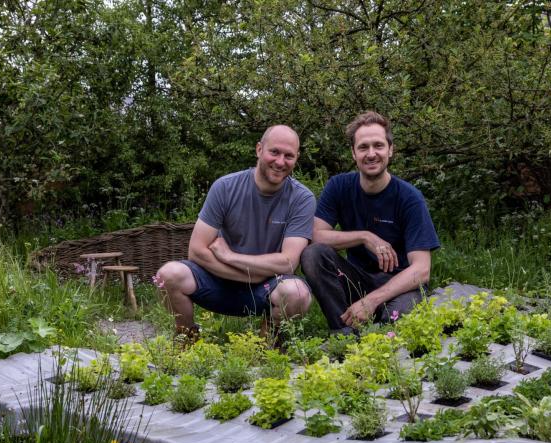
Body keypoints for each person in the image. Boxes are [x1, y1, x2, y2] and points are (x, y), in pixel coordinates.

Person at [155, 125, 315, 339]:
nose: (280, 162)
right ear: (259, 149)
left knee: (297, 293)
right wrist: (250, 272)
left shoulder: (302, 199)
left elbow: (287, 263)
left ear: (297, 158)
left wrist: (230, 256)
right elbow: (196, 251)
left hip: (265, 287)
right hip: (217, 283)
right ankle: (187, 337)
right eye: (274, 152)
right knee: (169, 275)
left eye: (289, 156)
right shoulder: (225, 187)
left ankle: (268, 347)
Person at [300, 111, 440, 334]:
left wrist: (372, 301)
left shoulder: (409, 198)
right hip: (357, 280)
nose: (371, 154)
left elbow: (422, 269)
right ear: (353, 153)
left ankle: (378, 331)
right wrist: (365, 236)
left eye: (378, 145)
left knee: (397, 319)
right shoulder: (338, 187)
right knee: (313, 254)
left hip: (399, 286)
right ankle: (343, 333)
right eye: (363, 147)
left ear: (390, 150)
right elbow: (316, 236)